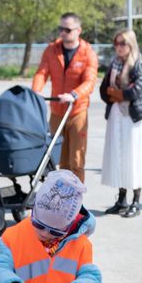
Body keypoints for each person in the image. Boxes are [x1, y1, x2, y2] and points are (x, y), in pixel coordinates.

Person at [0, 169, 101, 283]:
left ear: (70, 225)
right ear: (33, 212)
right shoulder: (14, 236)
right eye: (39, 225)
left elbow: (92, 277)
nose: (44, 233)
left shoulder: (81, 244)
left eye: (55, 232)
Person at [31, 12, 98, 182]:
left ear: (78, 30)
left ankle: (77, 202)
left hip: (77, 112)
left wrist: (73, 95)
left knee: (76, 160)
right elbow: (41, 73)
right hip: (57, 113)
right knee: (58, 160)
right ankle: (60, 201)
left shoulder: (88, 53)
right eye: (60, 28)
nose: (62, 32)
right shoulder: (51, 50)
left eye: (67, 29)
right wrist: (36, 91)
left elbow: (90, 81)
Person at [99, 28, 142, 218]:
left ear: (131, 44)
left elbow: (136, 91)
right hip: (115, 115)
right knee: (118, 156)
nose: (119, 47)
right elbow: (104, 90)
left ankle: (136, 202)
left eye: (123, 43)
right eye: (116, 43)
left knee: (132, 156)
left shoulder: (138, 64)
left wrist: (117, 93)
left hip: (131, 116)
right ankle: (121, 200)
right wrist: (114, 93)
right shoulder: (114, 64)